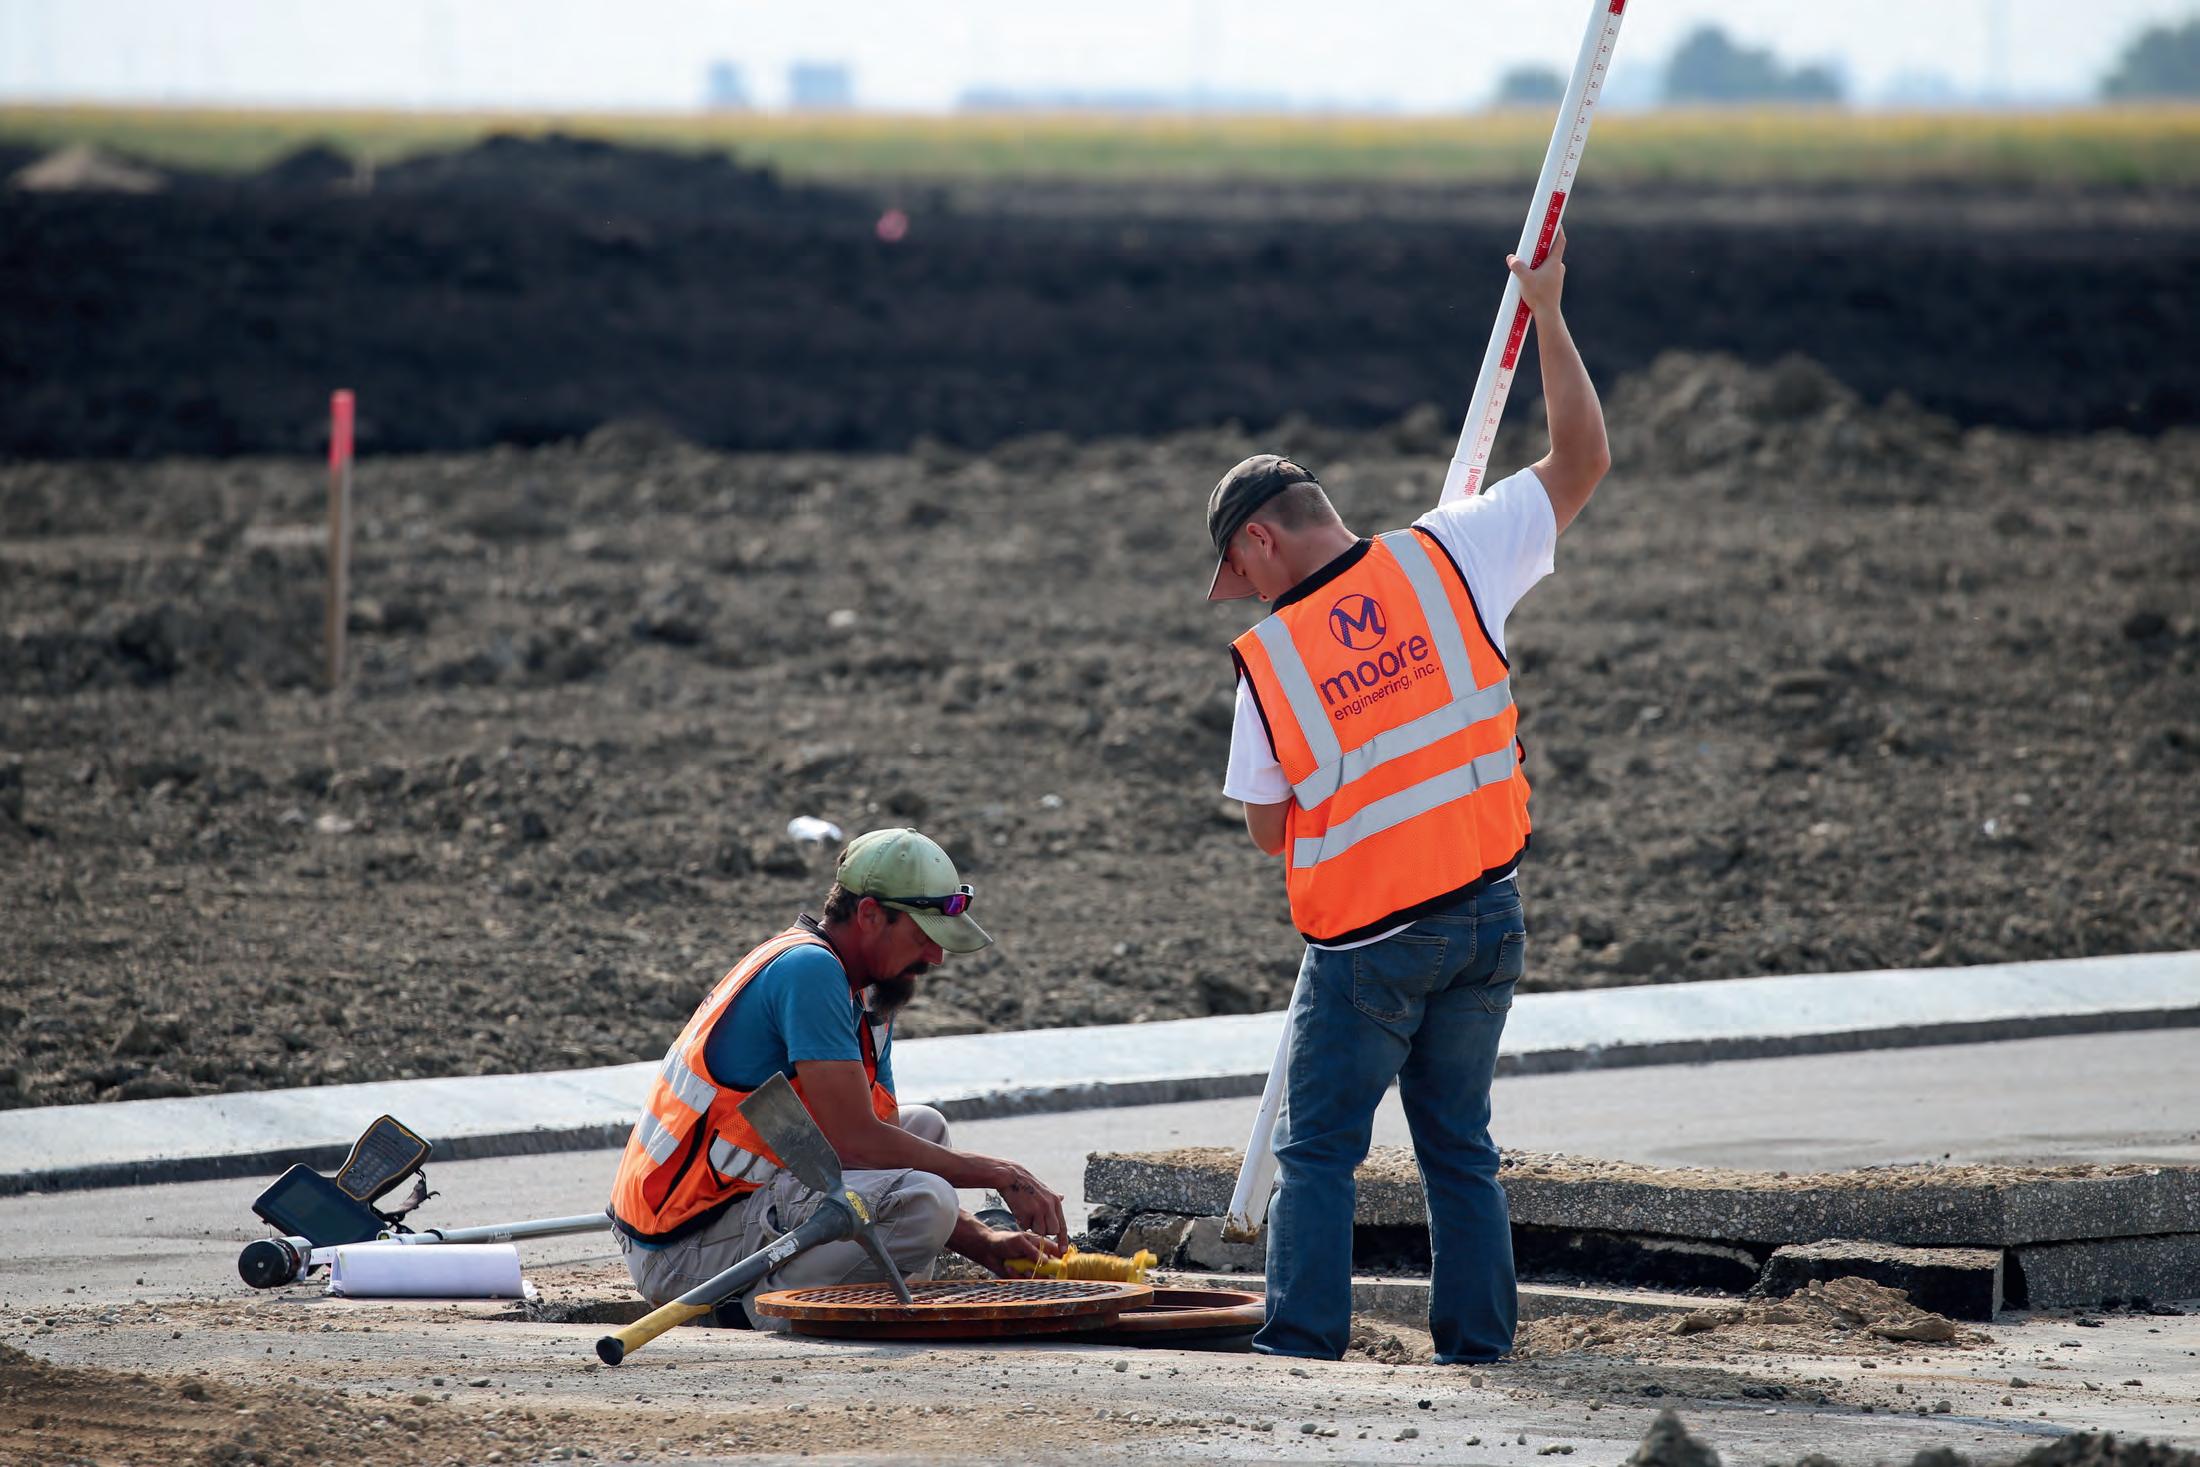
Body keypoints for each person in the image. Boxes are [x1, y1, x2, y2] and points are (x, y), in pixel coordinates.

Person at [1205, 228, 1609, 1364]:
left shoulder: (1272, 661)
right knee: (1458, 1149)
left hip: (1368, 945)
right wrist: (1550, 313)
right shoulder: (1451, 556)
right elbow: (1583, 459)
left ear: (1261, 539)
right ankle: (1477, 1346)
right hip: (1487, 913)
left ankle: (1303, 1340)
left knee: (1319, 1153)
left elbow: (1267, 830)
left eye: (1237, 570)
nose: (1240, 593)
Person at [606, 827, 1067, 1327]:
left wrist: (986, 1242)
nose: (935, 957)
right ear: (869, 915)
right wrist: (1002, 1174)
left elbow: (878, 1140)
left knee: (925, 1130)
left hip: (737, 1208)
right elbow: (855, 1144)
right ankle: (749, 1312)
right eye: (922, 936)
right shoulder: (808, 970)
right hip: (682, 1249)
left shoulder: (865, 992)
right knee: (925, 1201)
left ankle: (868, 1286)